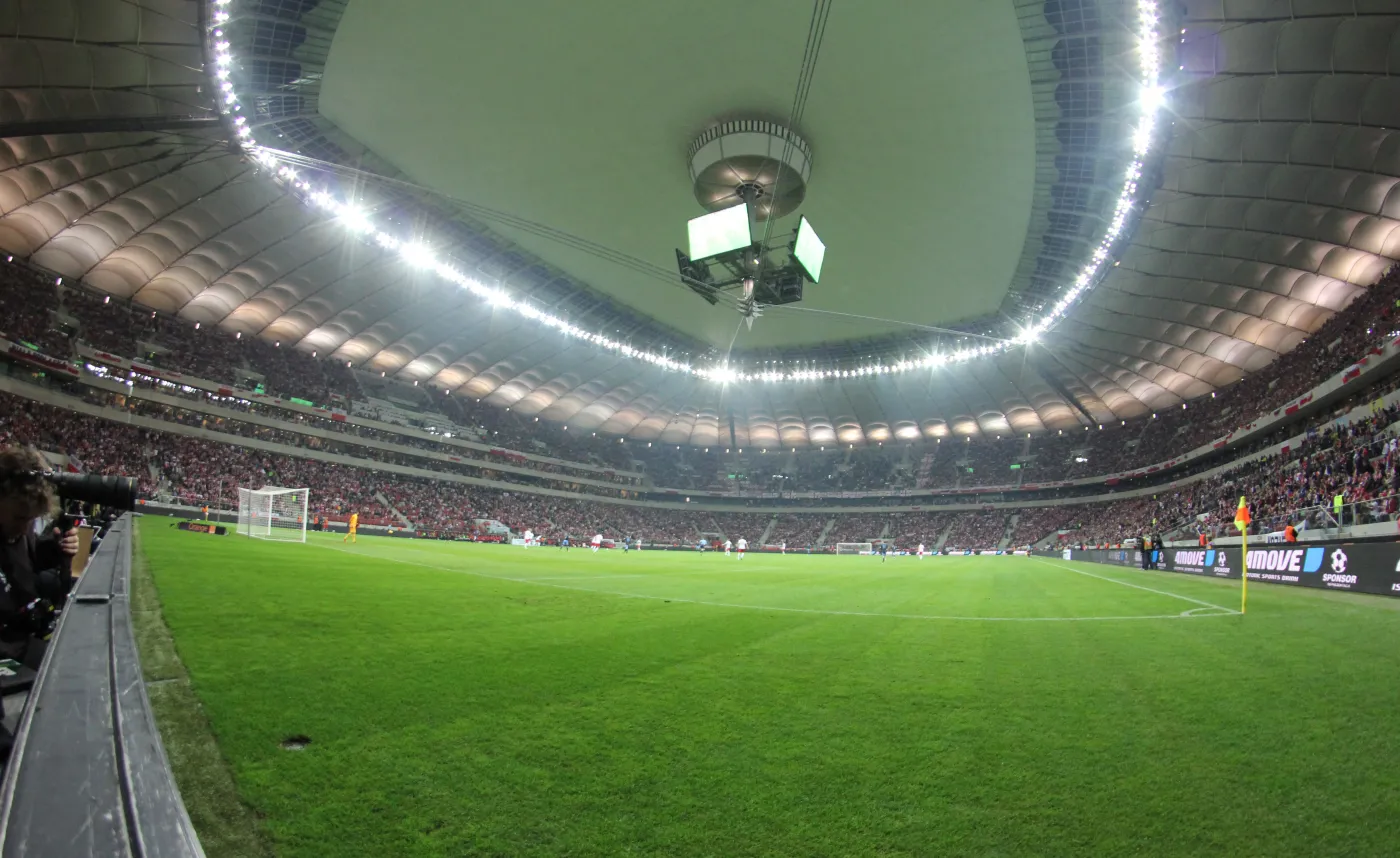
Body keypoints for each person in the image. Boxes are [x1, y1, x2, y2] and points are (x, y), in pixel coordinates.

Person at [0, 448, 80, 667]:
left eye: (31, 519)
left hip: (22, 641)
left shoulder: (17, 529)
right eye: (19, 518)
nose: (24, 527)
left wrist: (59, 549)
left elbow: (29, 558)